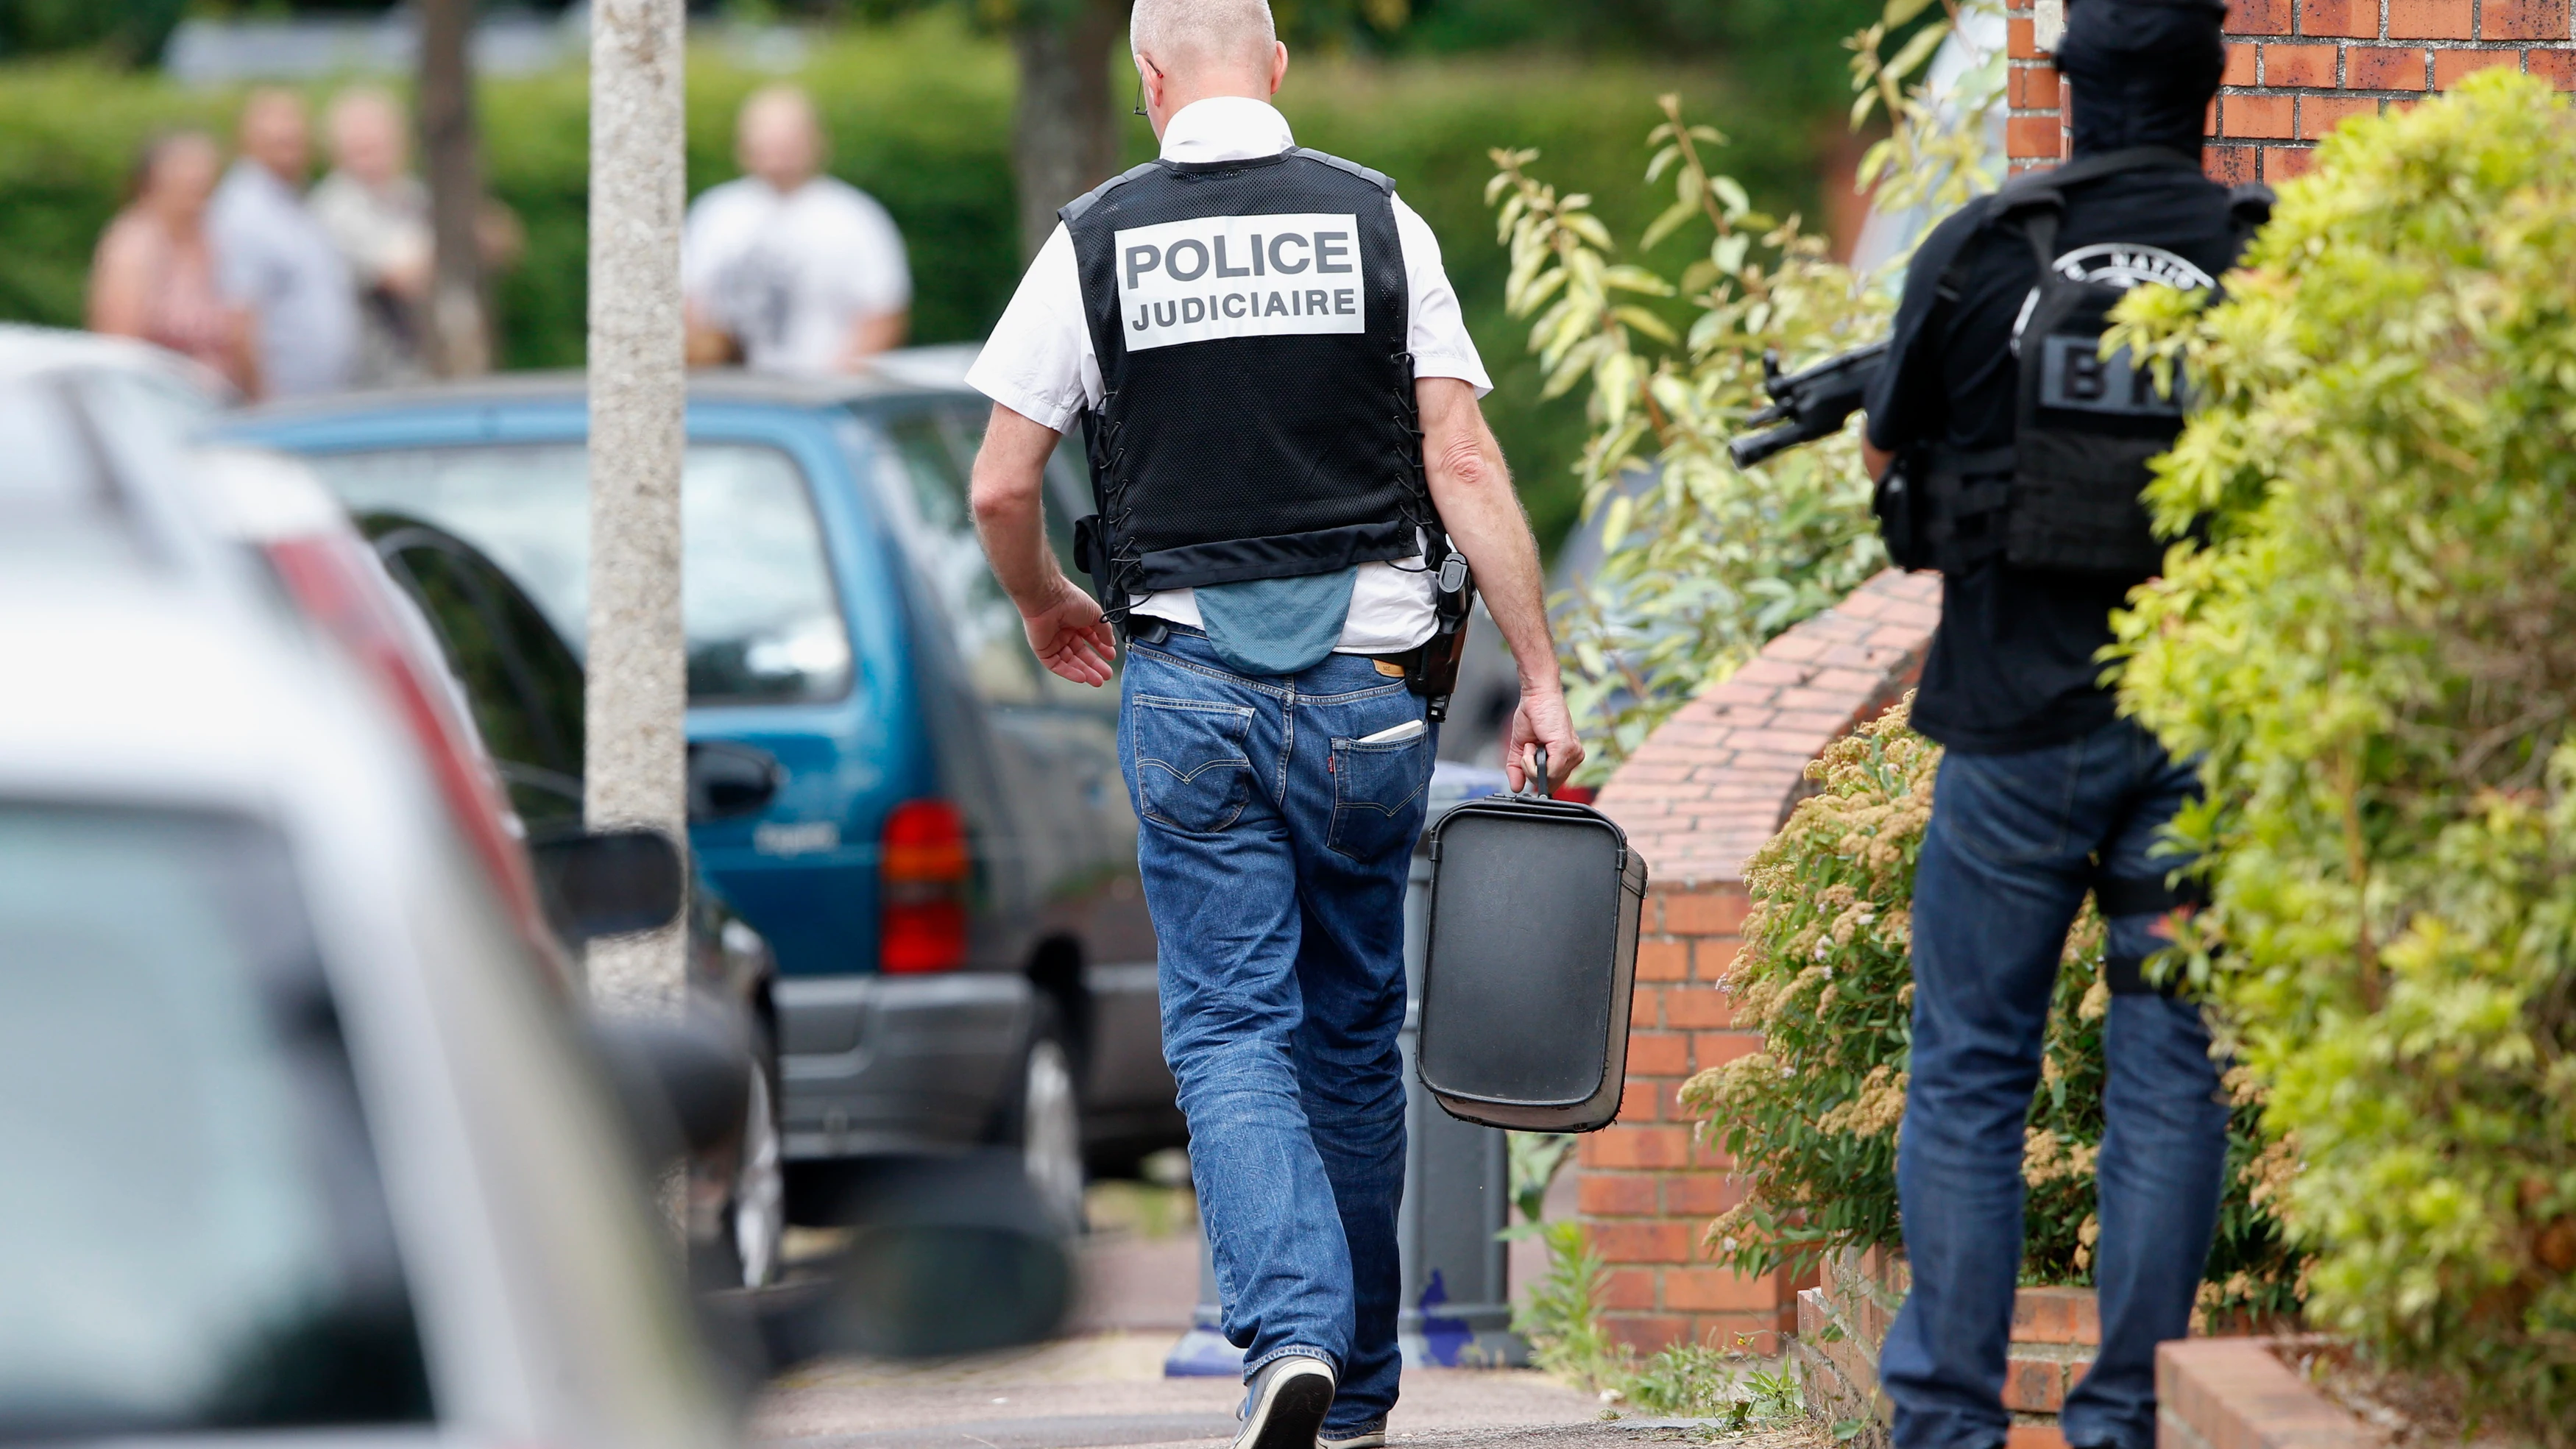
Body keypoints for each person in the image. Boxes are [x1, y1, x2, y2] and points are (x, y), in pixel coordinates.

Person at [965, 4, 1582, 1447]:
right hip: (1373, 703)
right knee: (1353, 1026)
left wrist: (1048, 598)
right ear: (1280, 66)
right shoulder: (1380, 223)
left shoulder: (1095, 239)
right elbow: (1463, 455)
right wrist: (1541, 675)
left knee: (1231, 1023)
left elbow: (1003, 482)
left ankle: (1288, 1337)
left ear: (1147, 77)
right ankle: (1358, 1386)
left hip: (1186, 686)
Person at [1855, 3, 2263, 1447]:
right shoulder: (2264, 261)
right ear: (2207, 88)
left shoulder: (1983, 248)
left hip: (2015, 729)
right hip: (2203, 735)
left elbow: (1884, 456)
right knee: (2169, 1068)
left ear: (2068, 86)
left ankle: (1949, 1425)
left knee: (1970, 1067)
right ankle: (2127, 1420)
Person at [682, 85, 911, 373]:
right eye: (765, 143)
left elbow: (883, 312)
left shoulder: (855, 218)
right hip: (731, 397)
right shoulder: (714, 213)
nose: (777, 155)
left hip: (817, 398)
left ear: (817, 143)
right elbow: (691, 303)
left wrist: (833, 381)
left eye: (787, 143)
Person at [209, 88, 358, 398]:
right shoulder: (245, 213)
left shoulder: (294, 201)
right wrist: (261, 401)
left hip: (322, 398)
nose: (291, 150)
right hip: (283, 404)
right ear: (248, 142)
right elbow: (240, 317)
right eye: (279, 142)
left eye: (297, 140)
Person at [87, 131, 257, 394]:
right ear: (154, 180)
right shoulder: (134, 244)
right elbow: (120, 349)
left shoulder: (215, 238)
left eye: (204, 170)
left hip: (223, 405)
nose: (198, 178)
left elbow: (242, 331)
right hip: (161, 409)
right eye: (186, 169)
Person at [308, 87, 434, 386]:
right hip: (367, 378)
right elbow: (405, 278)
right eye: (361, 149)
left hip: (417, 368)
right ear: (336, 153)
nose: (372, 159)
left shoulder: (407, 192)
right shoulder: (335, 207)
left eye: (380, 146)